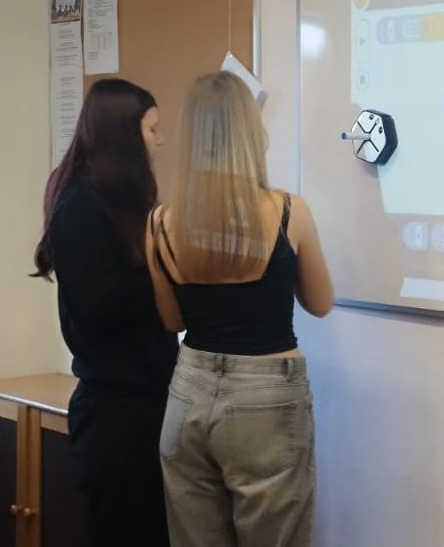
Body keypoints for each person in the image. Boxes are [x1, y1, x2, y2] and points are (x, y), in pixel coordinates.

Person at [146, 71, 333, 547]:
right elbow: (321, 303)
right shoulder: (289, 210)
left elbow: (172, 321)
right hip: (266, 398)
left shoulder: (162, 221)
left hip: (189, 390)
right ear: (251, 132)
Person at [32, 78, 176, 547]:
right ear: (123, 136)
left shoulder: (121, 205)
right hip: (116, 415)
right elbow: (102, 306)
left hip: (147, 403)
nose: (160, 140)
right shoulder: (80, 206)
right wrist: (168, 270)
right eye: (152, 129)